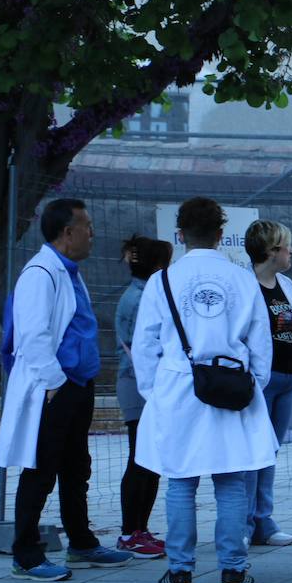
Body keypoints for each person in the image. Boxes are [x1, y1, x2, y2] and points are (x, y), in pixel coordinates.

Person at [133, 197, 276, 583]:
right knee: (231, 480)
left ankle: (180, 571)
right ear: (220, 233)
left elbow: (145, 344)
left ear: (179, 235)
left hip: (179, 387)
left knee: (180, 480)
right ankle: (233, 569)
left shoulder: (162, 280)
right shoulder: (243, 279)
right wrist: (253, 385)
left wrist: (154, 391)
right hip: (232, 386)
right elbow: (260, 342)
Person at [0, 199, 134, 580]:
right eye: (86, 226)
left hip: (76, 384)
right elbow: (33, 335)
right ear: (67, 232)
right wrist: (55, 383)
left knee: (77, 467)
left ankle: (82, 542)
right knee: (41, 468)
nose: (92, 233)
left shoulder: (69, 272)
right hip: (54, 387)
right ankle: (25, 554)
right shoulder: (41, 273)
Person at [242, 220, 292, 548]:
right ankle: (244, 522)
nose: (291, 251)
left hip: (288, 380)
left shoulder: (287, 285)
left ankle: (263, 521)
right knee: (252, 453)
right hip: (260, 383)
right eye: (286, 246)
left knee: (270, 452)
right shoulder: (243, 286)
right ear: (271, 251)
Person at [115, 235, 172, 559]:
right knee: (139, 458)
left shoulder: (147, 294)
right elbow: (140, 348)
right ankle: (129, 531)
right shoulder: (137, 298)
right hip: (137, 384)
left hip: (147, 383)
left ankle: (140, 528)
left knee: (150, 460)